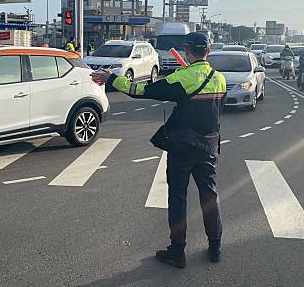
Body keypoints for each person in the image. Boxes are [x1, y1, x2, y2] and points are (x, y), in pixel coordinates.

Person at [90, 32, 227, 268]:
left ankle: (177, 251)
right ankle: (215, 246)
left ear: (187, 51)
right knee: (210, 196)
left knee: (177, 198)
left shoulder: (183, 77)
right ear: (208, 51)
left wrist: (111, 79)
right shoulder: (219, 78)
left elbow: (143, 90)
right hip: (209, 145)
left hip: (183, 146)